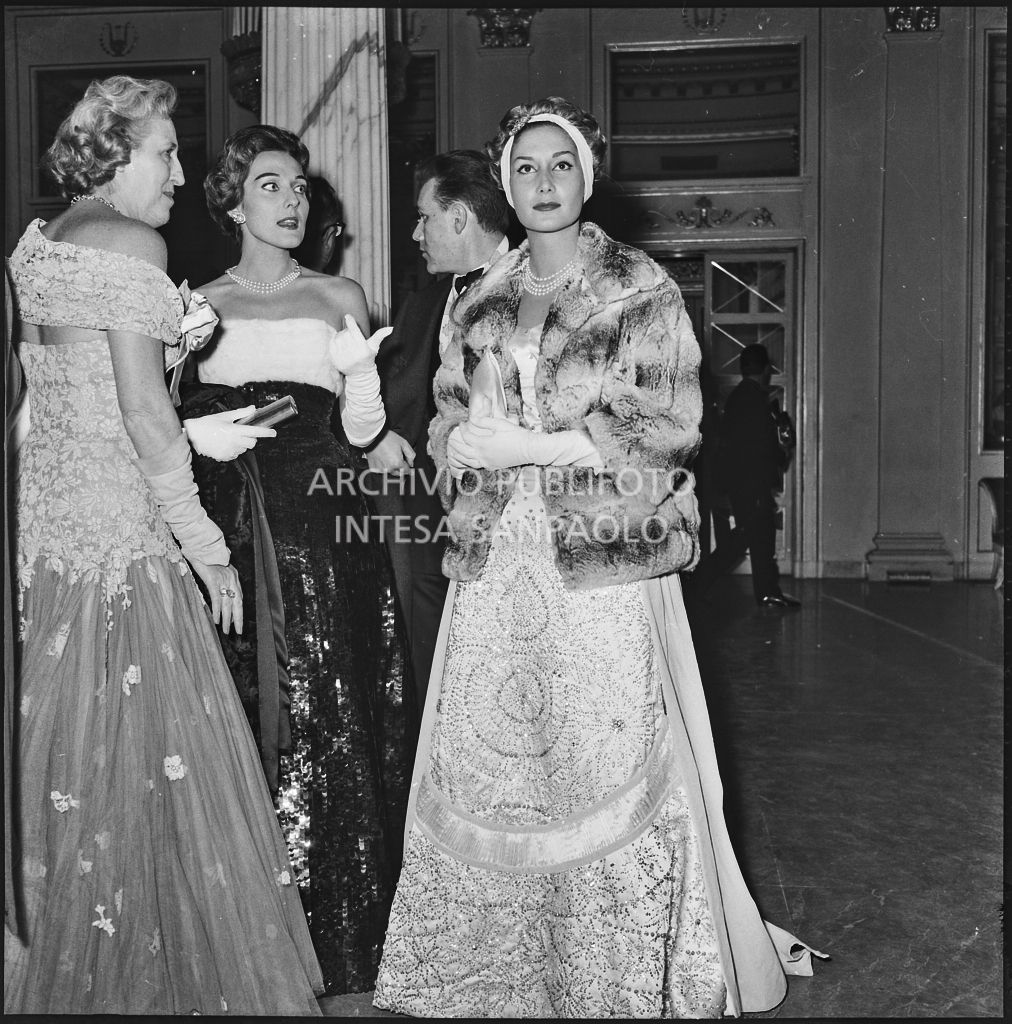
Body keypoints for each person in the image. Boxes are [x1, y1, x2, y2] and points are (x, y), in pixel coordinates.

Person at [374, 97, 822, 1018]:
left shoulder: (638, 286)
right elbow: (453, 413)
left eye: (561, 165)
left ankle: (610, 972)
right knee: (504, 758)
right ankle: (498, 970)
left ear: (587, 176)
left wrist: (535, 449)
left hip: (605, 554)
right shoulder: (482, 297)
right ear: (506, 184)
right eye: (527, 168)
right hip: (501, 559)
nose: (544, 183)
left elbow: (668, 426)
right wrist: (457, 444)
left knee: (603, 748)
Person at [3, 74, 322, 1015]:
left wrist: (180, 368)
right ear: (113, 155)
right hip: (122, 538)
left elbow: (62, 400)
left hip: (51, 536)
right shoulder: (133, 241)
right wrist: (207, 546)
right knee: (141, 767)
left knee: (66, 762)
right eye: (165, 154)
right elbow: (145, 419)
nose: (179, 175)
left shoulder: (41, 244)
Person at [189, 124, 410, 994]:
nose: (293, 201)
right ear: (234, 201)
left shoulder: (340, 293)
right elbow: (171, 431)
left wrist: (365, 392)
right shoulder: (193, 302)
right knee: (242, 696)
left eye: (300, 186)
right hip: (232, 524)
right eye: (271, 185)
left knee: (334, 693)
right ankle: (243, 923)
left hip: (321, 523)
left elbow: (360, 428)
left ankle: (344, 928)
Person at [363, 149, 509, 717]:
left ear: (459, 218)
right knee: (432, 673)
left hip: (512, 527)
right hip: (425, 526)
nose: (416, 233)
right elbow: (383, 400)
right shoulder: (422, 304)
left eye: (425, 218)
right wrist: (372, 435)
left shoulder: (537, 285)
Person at [691, 343, 799, 608]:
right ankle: (701, 587)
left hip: (743, 483)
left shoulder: (739, 398)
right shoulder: (756, 400)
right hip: (754, 483)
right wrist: (784, 446)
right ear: (765, 370)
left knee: (750, 538)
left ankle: (764, 590)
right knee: (751, 539)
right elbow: (763, 447)